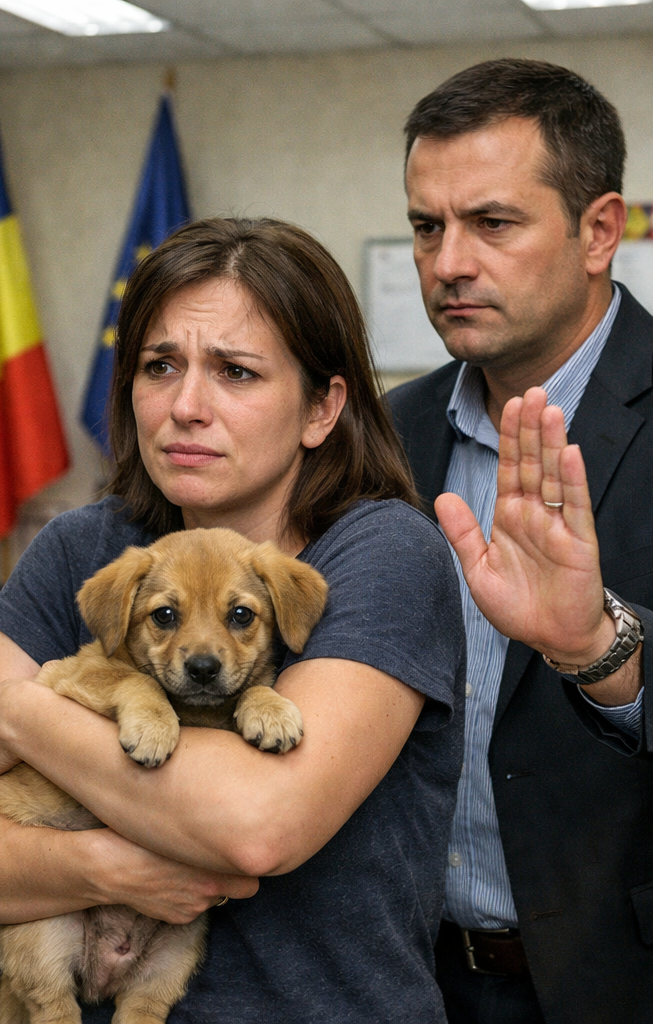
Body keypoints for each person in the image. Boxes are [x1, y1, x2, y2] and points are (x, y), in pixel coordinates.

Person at [0, 216, 467, 1023]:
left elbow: (256, 826)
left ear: (322, 409)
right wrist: (111, 871)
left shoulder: (382, 553)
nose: (186, 406)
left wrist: (21, 716)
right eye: (159, 365)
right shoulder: (85, 547)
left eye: (236, 372)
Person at [391, 59, 652, 1024]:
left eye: (492, 223)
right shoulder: (385, 436)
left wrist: (601, 652)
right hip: (406, 975)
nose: (448, 260)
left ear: (598, 231)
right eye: (428, 226)